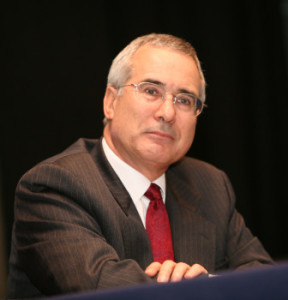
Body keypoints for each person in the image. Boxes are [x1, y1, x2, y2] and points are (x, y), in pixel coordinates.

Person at [7, 33, 273, 298]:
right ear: (111, 101)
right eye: (151, 91)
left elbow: (265, 281)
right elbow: (105, 289)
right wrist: (205, 288)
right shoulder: (54, 186)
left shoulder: (211, 184)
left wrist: (208, 284)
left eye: (184, 100)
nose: (167, 113)